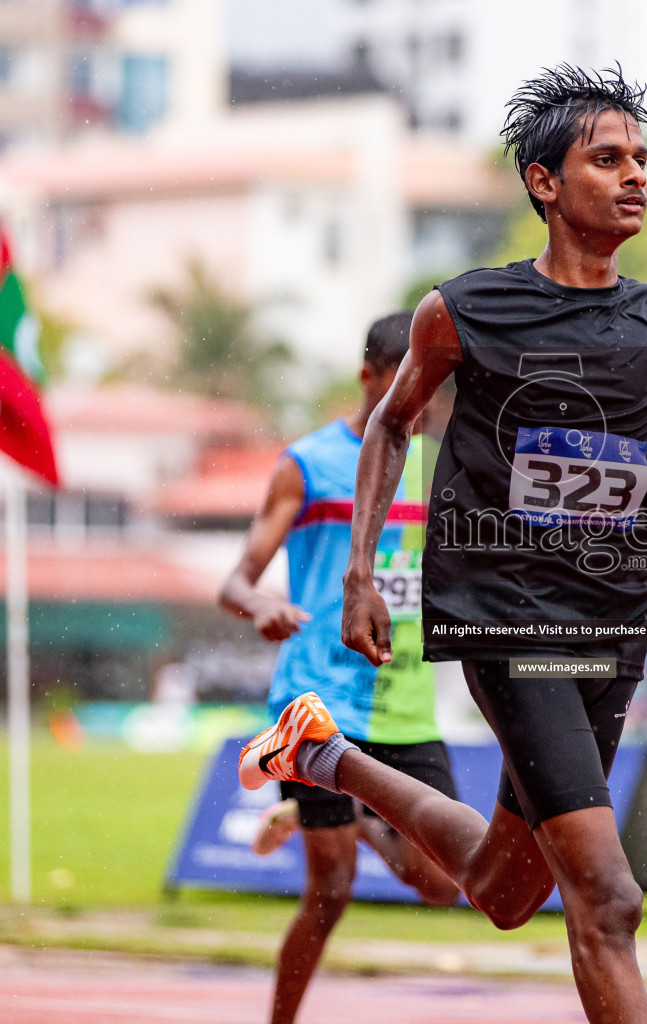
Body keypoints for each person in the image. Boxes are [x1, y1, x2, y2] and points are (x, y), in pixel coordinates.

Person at [237, 65, 647, 1024]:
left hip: (612, 624)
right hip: (508, 620)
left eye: (641, 160)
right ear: (544, 183)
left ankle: (321, 757)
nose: (634, 177)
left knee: (507, 889)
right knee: (610, 901)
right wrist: (361, 579)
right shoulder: (465, 310)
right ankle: (322, 753)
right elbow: (389, 426)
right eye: (606, 158)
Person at [219, 312, 460, 1024]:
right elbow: (235, 580)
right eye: (405, 382)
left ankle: (333, 812)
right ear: (370, 377)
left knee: (446, 881)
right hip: (316, 702)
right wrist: (258, 604)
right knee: (331, 893)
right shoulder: (309, 464)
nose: (419, 398)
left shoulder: (443, 464)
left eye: (433, 386)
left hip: (407, 701)